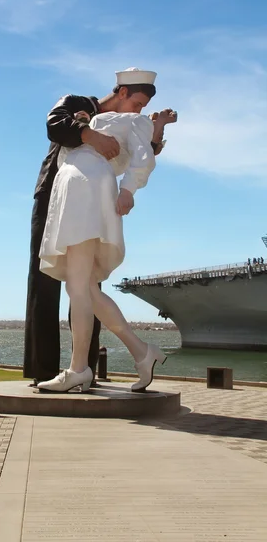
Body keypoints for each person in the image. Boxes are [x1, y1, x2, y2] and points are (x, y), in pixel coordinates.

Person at [24, 68, 168, 386]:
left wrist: (130, 186)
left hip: (86, 194)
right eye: (138, 102)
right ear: (122, 92)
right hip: (58, 193)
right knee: (75, 287)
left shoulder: (131, 121)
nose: (140, 109)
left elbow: (139, 152)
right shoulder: (79, 104)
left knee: (80, 287)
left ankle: (80, 369)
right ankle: (140, 352)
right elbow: (54, 125)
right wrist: (90, 133)